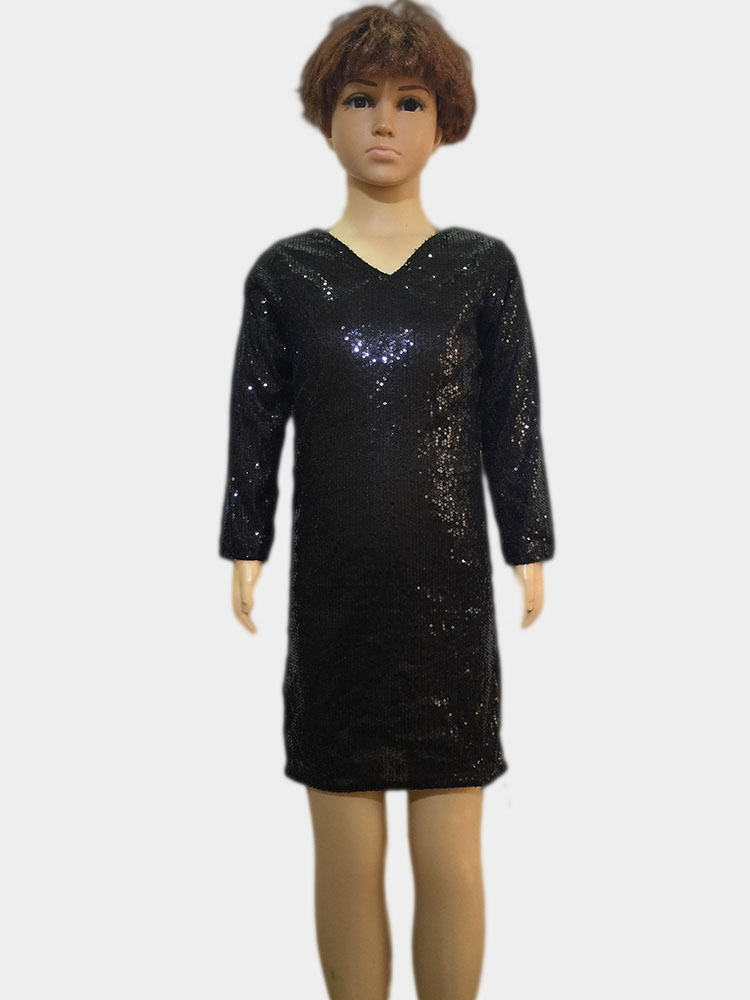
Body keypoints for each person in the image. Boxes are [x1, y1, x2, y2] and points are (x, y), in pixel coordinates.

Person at [218, 2, 555, 997]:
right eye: (361, 97)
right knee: (345, 859)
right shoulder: (288, 276)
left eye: (410, 101)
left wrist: (528, 544)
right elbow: (255, 423)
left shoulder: (482, 271)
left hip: (449, 603)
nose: (383, 121)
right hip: (336, 608)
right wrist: (245, 542)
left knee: (452, 861)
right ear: (326, 114)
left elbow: (513, 420)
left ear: (444, 120)